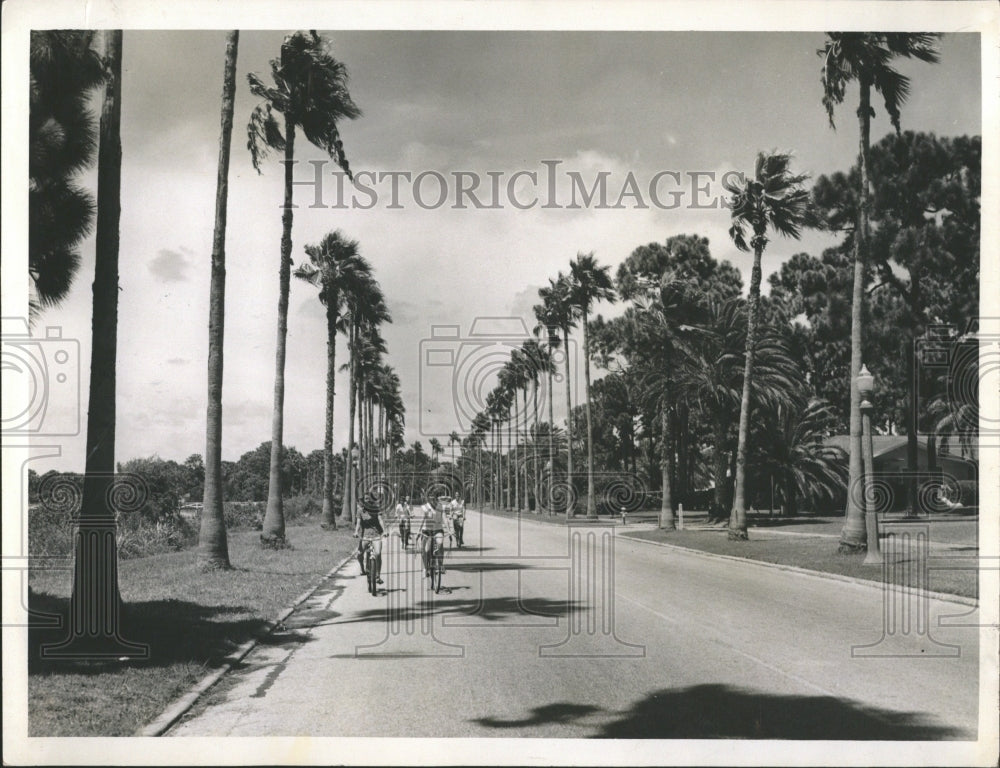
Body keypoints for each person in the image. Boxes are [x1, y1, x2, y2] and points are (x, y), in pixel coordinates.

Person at [353, 493, 386, 588]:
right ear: (364, 500)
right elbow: (358, 523)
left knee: (378, 553)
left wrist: (384, 531)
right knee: (359, 554)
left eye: (369, 499)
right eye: (366, 499)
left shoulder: (376, 509)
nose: (367, 500)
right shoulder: (360, 511)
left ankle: (378, 576)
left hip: (376, 536)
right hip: (364, 537)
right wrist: (356, 532)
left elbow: (380, 520)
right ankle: (362, 569)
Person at [417, 496, 449, 578]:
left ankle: (441, 564)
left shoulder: (440, 506)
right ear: (428, 499)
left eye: (434, 499)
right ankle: (425, 568)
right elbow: (422, 519)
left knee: (440, 544)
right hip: (427, 531)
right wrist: (418, 531)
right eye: (431, 499)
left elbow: (444, 518)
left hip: (438, 530)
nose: (433, 501)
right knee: (426, 550)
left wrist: (448, 529)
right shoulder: (424, 507)